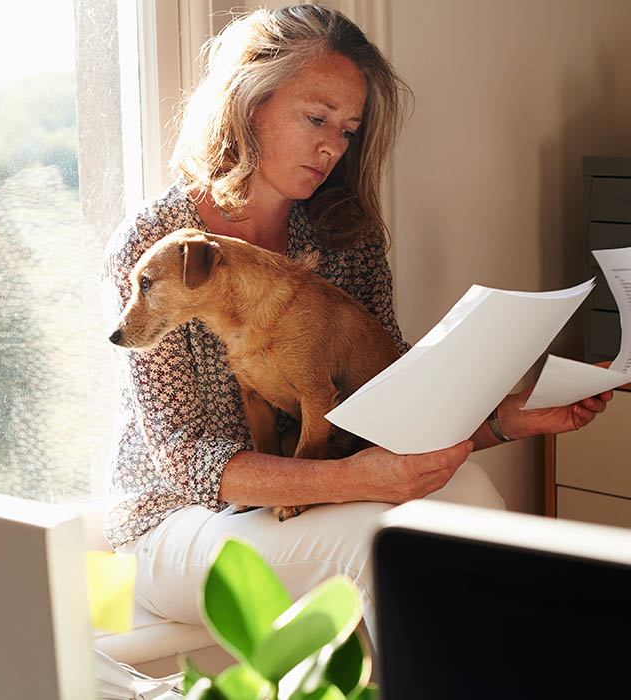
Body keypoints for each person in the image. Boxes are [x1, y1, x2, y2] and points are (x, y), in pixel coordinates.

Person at [100, 4, 612, 643]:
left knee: (475, 502)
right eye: (316, 118)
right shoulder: (156, 247)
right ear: (247, 103)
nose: (333, 146)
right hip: (179, 524)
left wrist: (511, 417)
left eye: (347, 129)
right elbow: (183, 460)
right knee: (380, 546)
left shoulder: (344, 237)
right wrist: (347, 480)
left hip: (310, 500)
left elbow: (391, 406)